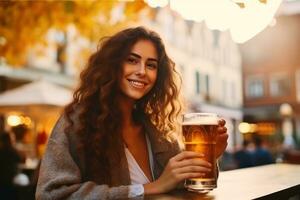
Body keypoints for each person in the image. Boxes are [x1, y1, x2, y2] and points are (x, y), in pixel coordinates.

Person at [36, 26, 228, 199]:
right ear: (112, 65)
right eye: (132, 60)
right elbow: (52, 194)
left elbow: (184, 189)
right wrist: (147, 189)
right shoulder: (76, 123)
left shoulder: (157, 129)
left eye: (151, 65)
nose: (142, 71)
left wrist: (209, 156)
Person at [0, 131, 23, 199]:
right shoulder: (12, 151)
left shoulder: (1, 151)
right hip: (10, 182)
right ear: (9, 140)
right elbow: (21, 159)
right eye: (12, 139)